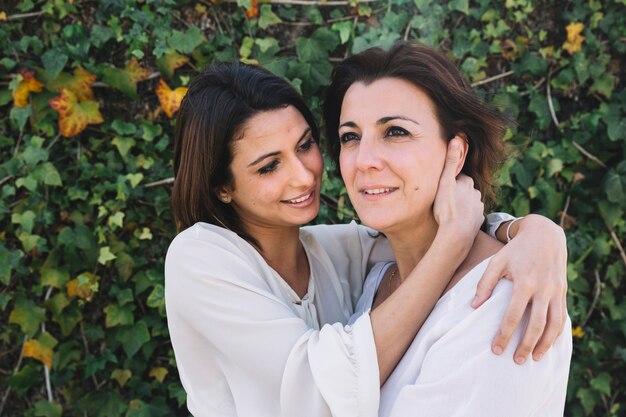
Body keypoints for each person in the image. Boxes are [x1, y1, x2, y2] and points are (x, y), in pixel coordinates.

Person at [164, 61, 568, 417]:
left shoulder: (344, 253)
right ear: (222, 187)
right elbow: (318, 393)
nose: (304, 177)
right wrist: (454, 240)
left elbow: (425, 236)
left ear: (454, 152)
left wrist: (534, 231)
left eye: (306, 146)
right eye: (269, 166)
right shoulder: (201, 257)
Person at [325, 42, 572, 416]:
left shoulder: (502, 299)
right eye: (350, 137)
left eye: (395, 132)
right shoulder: (377, 278)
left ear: (454, 151)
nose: (365, 160)